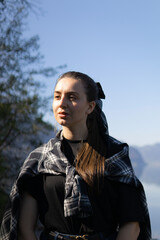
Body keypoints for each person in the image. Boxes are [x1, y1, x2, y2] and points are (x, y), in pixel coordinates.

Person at [0, 71, 151, 240]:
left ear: (90, 106)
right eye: (57, 97)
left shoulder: (113, 154)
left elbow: (131, 226)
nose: (62, 103)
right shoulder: (39, 159)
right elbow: (25, 228)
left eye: (72, 97)